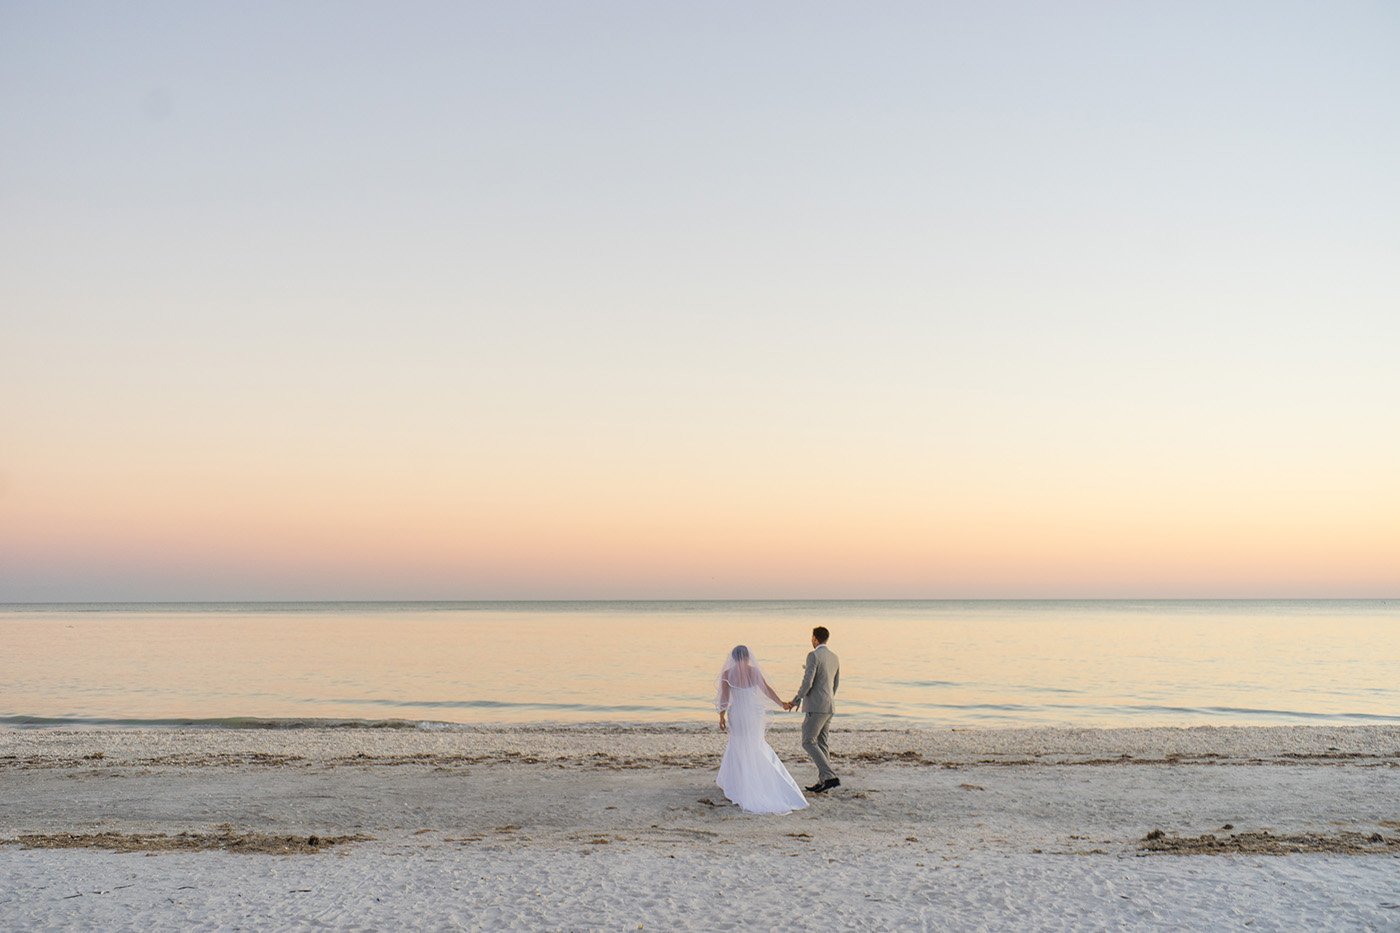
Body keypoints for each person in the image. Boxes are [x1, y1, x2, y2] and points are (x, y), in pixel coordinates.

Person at [714, 645, 808, 814]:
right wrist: (782, 704)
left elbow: (724, 697)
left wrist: (721, 715)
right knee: (755, 745)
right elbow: (767, 690)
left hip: (737, 713)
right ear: (747, 657)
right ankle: (758, 779)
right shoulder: (754, 672)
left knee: (738, 745)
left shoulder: (727, 674)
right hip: (753, 714)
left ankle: (738, 782)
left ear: (734, 658)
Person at [790, 626, 841, 793]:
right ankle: (823, 781)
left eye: (811, 637)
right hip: (829, 705)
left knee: (808, 741)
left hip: (816, 707)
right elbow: (835, 683)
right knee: (822, 743)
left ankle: (829, 775)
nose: (811, 640)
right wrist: (828, 699)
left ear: (815, 639)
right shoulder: (834, 657)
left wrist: (797, 699)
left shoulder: (813, 655)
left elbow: (808, 682)